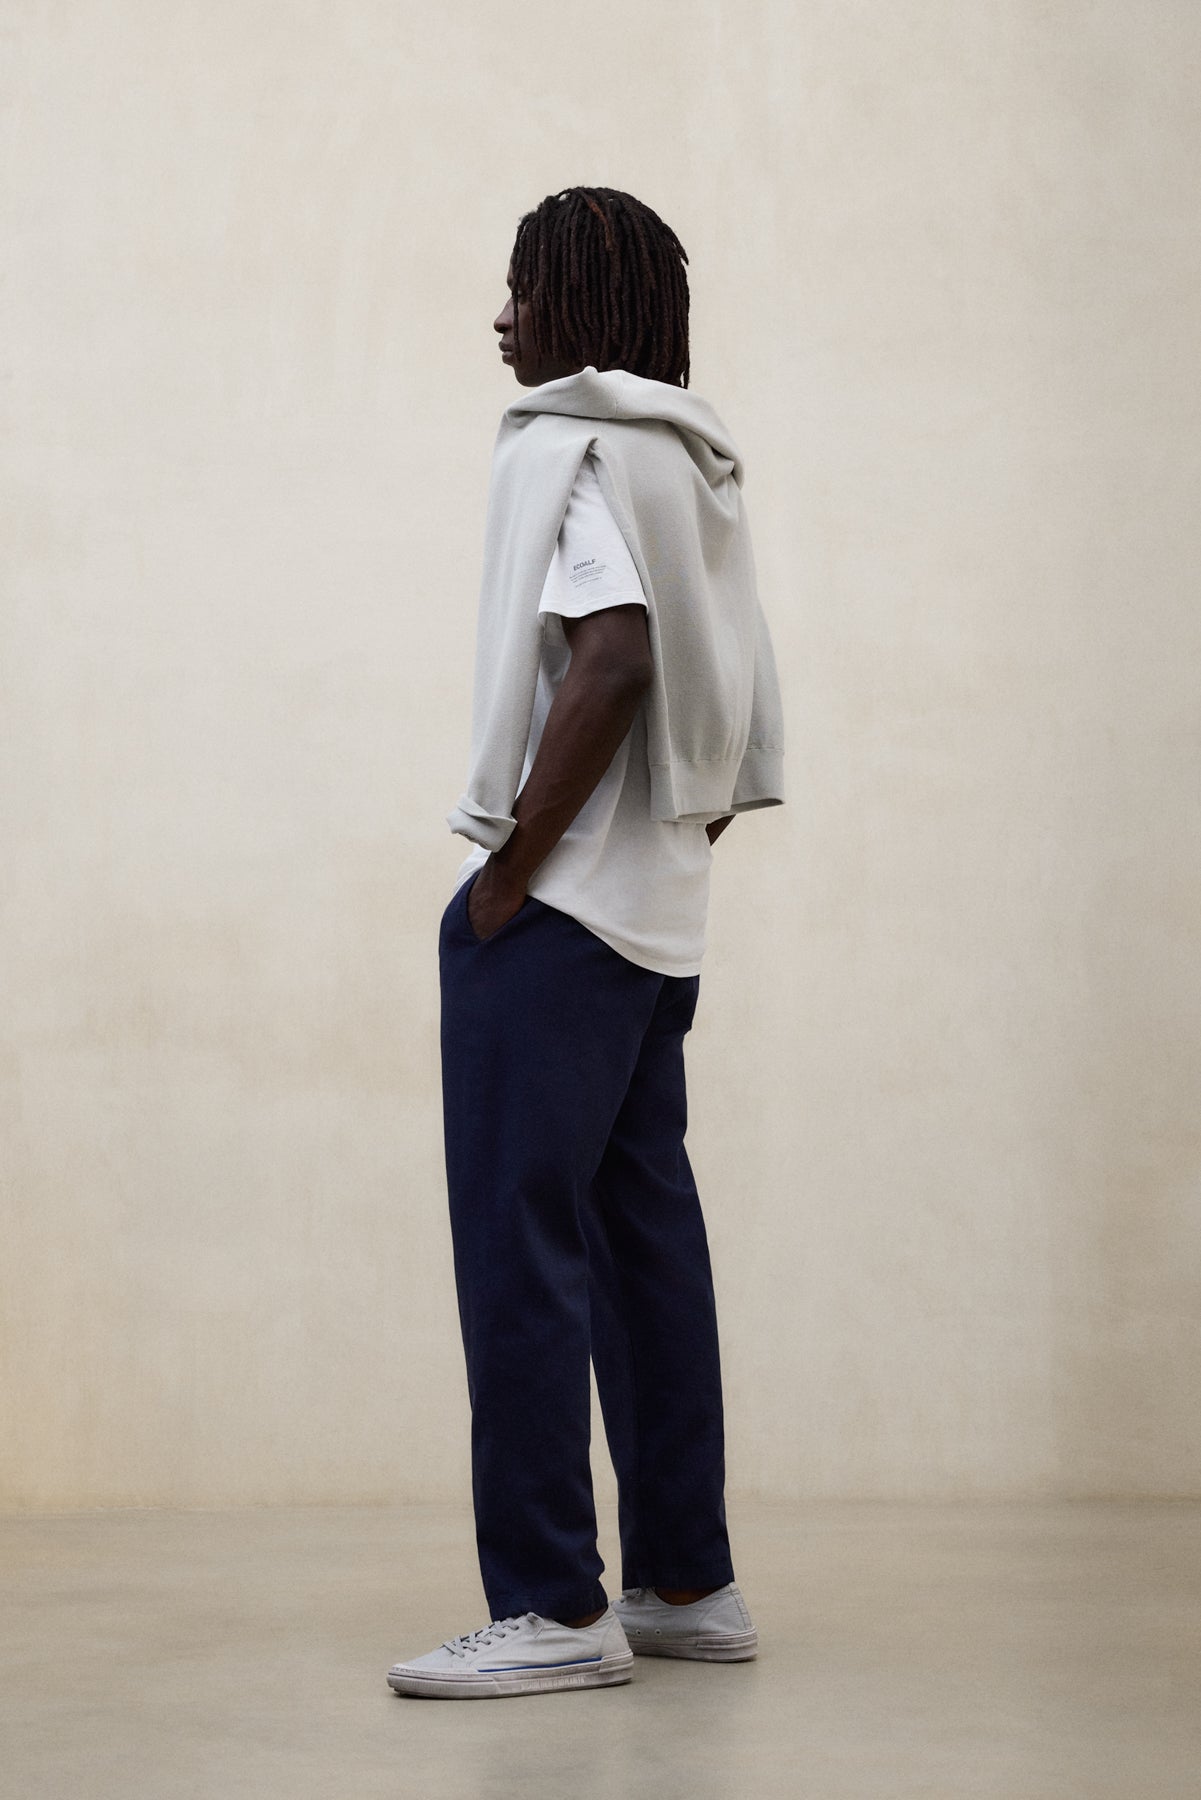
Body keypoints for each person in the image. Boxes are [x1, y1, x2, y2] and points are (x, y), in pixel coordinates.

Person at [387, 186, 785, 1700]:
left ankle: (552, 1606)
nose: (502, 317)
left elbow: (613, 660)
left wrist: (511, 877)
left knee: (522, 1251)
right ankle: (687, 1583)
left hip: (555, 924)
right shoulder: (698, 462)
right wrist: (653, 853)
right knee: (642, 1247)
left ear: (579, 302)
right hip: (657, 923)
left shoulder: (573, 445)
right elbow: (729, 701)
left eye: (524, 287)